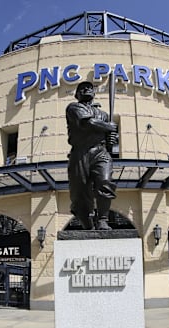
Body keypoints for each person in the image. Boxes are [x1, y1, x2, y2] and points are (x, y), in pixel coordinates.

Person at [66, 81, 118, 230]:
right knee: (79, 195)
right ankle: (87, 225)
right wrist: (108, 127)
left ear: (94, 94)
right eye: (82, 89)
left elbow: (111, 138)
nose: (86, 89)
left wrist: (112, 138)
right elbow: (87, 123)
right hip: (80, 153)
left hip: (100, 152)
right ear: (77, 95)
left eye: (89, 88)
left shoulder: (104, 115)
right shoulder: (74, 108)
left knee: (105, 182)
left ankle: (102, 220)